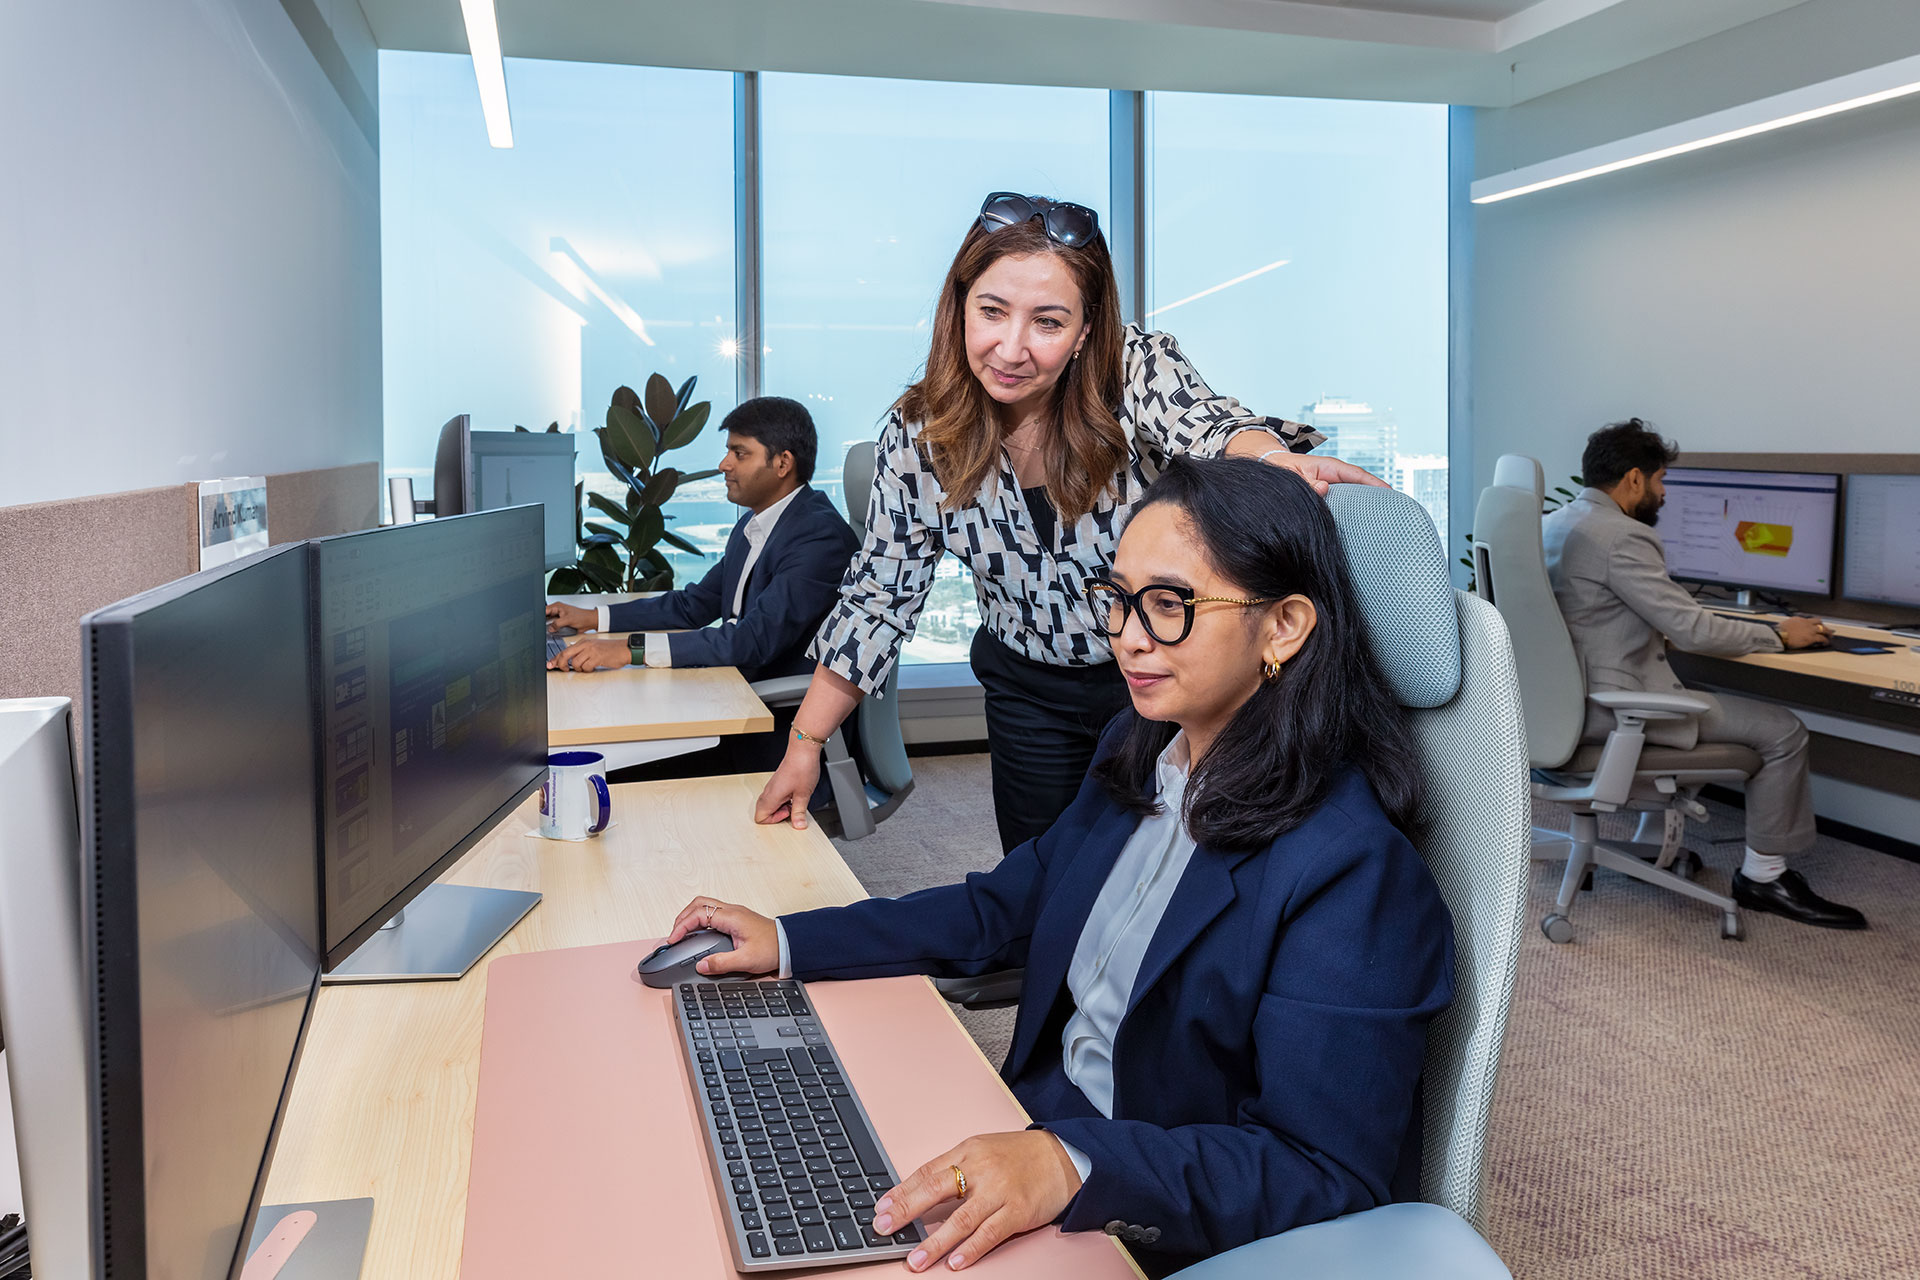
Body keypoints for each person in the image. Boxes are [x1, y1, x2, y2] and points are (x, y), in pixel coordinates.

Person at [665, 458, 1454, 1274]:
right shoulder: (1143, 747)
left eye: (1170, 605)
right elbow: (1002, 909)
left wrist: (1070, 1165)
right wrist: (789, 942)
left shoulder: (1351, 872)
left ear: (1285, 626)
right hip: (1032, 1131)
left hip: (1145, 1205)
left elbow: (1321, 1170)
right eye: (1117, 599)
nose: (1129, 638)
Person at [757, 191, 1383, 852]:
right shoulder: (918, 437)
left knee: (1170, 879)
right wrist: (806, 745)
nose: (1012, 348)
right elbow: (876, 602)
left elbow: (1210, 426)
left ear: (1085, 330)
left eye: (1048, 323)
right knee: (1042, 890)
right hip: (1027, 687)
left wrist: (1275, 460)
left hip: (1157, 677)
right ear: (960, 305)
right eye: (992, 312)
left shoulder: (1130, 367)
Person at [1541, 419, 1866, 929]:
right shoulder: (1622, 535)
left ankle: (1654, 844)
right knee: (1783, 730)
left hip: (1560, 709)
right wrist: (1780, 634)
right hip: (1610, 712)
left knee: (1704, 692)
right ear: (1633, 479)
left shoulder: (1557, 523)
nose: (1663, 493)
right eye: (1661, 481)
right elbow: (1692, 631)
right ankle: (1764, 876)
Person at [546, 396, 860, 778]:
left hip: (773, 735)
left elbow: (751, 641)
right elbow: (694, 604)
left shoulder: (817, 538)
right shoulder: (758, 525)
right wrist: (593, 616)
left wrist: (629, 651)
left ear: (782, 463)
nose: (724, 464)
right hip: (733, 701)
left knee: (605, 768)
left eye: (739, 453)